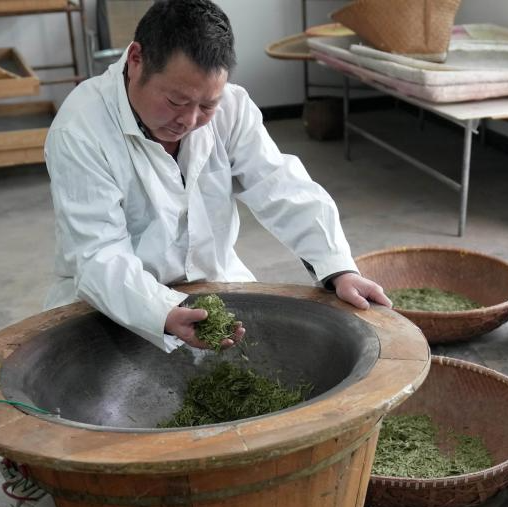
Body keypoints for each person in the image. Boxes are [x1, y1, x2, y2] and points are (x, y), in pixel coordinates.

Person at [44, 0, 390, 352]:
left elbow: (282, 187)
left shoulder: (232, 108)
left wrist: (338, 269)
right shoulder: (81, 130)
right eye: (176, 101)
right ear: (136, 60)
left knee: (272, 361)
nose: (189, 121)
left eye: (207, 105)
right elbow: (99, 254)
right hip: (114, 301)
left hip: (214, 283)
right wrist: (163, 311)